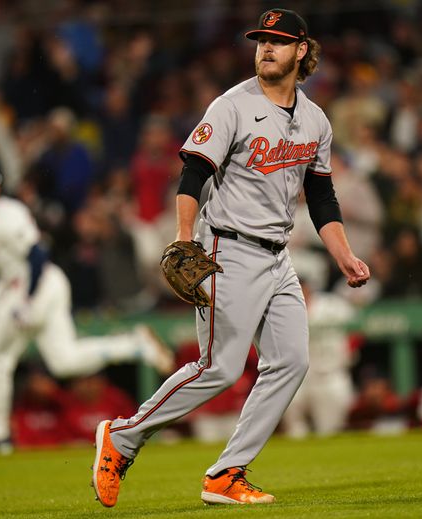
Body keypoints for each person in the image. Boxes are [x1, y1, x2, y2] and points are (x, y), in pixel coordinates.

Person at [92, 8, 370, 507]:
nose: (266, 47)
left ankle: (226, 473)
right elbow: (193, 174)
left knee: (291, 360)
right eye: (261, 40)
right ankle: (123, 436)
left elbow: (322, 197)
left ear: (301, 51)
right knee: (219, 368)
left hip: (278, 256)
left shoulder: (315, 120)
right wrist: (183, 239)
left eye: (278, 41)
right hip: (227, 248)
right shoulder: (231, 106)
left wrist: (344, 254)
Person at [0, 159, 174, 454]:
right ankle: (134, 344)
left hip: (39, 288)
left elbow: (36, 254)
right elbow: (17, 266)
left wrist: (25, 299)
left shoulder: (5, 213)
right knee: (64, 361)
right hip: (38, 287)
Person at [282, 278, 356, 438]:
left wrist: (348, 352)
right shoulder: (283, 308)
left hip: (330, 374)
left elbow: (357, 327)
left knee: (330, 429)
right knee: (293, 423)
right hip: (298, 377)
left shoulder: (332, 305)